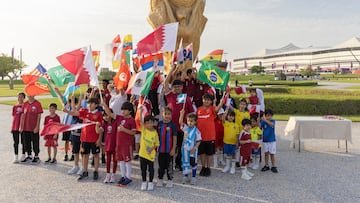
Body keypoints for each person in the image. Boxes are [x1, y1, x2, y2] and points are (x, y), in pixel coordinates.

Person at [63, 97, 103, 180]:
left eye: (91, 103)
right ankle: (85, 171)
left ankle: (96, 171)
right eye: (88, 103)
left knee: (95, 155)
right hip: (85, 138)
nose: (89, 105)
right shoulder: (85, 112)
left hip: (94, 139)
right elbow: (75, 113)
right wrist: (68, 109)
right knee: (85, 155)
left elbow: (101, 129)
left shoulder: (98, 114)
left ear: (96, 105)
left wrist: (99, 139)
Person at [103, 101, 136, 186]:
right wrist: (104, 105)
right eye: (122, 110)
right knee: (121, 160)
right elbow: (109, 114)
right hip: (119, 144)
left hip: (127, 144)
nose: (123, 111)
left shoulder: (132, 120)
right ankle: (123, 176)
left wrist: (124, 130)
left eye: (125, 110)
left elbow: (133, 132)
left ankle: (128, 177)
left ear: (130, 111)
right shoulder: (119, 118)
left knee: (127, 160)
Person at [164, 79, 195, 171]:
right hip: (171, 126)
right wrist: (173, 69)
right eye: (175, 87)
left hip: (182, 127)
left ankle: (179, 163)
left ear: (182, 87)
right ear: (172, 88)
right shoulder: (170, 96)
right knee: (170, 146)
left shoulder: (186, 98)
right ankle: (169, 164)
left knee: (182, 147)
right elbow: (165, 82)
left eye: (179, 86)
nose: (177, 88)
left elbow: (191, 113)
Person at [197, 93, 225, 177]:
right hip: (201, 136)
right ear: (202, 100)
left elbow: (217, 109)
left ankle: (208, 167)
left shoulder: (212, 109)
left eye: (208, 100)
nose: (206, 101)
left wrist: (221, 103)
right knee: (202, 153)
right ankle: (203, 167)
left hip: (210, 136)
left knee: (209, 154)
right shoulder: (198, 109)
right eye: (205, 99)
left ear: (211, 101)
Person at [156, 107, 177, 188]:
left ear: (171, 115)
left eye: (168, 114)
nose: (167, 116)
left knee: (169, 165)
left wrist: (173, 148)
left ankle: (170, 179)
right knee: (161, 165)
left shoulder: (173, 125)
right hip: (161, 150)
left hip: (169, 150)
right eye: (165, 114)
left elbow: (175, 137)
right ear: (162, 114)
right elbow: (157, 136)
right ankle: (160, 179)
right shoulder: (159, 124)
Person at [179, 109, 201, 185]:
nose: (190, 122)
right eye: (188, 121)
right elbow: (180, 123)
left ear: (195, 122)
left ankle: (194, 177)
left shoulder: (197, 131)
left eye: (191, 121)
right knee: (186, 162)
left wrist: (194, 148)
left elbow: (199, 141)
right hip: (185, 150)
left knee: (193, 163)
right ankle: (186, 176)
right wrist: (181, 114)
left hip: (192, 150)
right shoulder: (186, 128)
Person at [139, 111, 159, 191]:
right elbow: (140, 121)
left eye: (151, 123)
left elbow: (157, 144)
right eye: (147, 123)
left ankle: (150, 182)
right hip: (142, 154)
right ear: (145, 124)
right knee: (143, 169)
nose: (149, 125)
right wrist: (140, 112)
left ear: (153, 123)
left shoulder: (155, 133)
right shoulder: (144, 130)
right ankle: (144, 182)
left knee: (151, 169)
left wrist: (152, 148)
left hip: (151, 155)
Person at [19, 95, 43, 164]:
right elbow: (22, 115)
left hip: (33, 127)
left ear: (33, 95)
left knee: (35, 141)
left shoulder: (37, 104)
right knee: (26, 142)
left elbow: (39, 116)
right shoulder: (25, 104)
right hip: (25, 127)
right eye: (28, 95)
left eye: (31, 94)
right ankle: (29, 155)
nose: (29, 96)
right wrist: (21, 126)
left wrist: (37, 126)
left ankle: (36, 156)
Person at [231, 98, 250, 167]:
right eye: (241, 104)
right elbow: (230, 107)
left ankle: (241, 160)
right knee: (236, 146)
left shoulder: (247, 114)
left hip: (243, 132)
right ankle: (236, 160)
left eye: (244, 104)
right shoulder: (236, 111)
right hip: (236, 132)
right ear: (239, 105)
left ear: (246, 106)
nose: (242, 106)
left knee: (242, 147)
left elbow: (248, 123)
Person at [222, 110, 240, 174]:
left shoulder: (236, 125)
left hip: (233, 143)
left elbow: (237, 134)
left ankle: (233, 167)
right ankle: (227, 166)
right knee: (228, 154)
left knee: (233, 155)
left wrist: (237, 142)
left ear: (234, 117)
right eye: (229, 116)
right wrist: (225, 112)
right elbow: (223, 118)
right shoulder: (225, 123)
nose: (231, 117)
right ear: (227, 116)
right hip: (226, 142)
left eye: (232, 116)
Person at [102, 109, 118, 183]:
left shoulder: (115, 123)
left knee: (115, 160)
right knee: (108, 160)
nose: (106, 117)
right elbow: (100, 130)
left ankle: (113, 175)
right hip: (107, 144)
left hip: (115, 144)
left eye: (107, 115)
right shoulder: (104, 124)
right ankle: (108, 174)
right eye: (104, 115)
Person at [260, 109, 278, 173]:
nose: (269, 117)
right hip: (265, 140)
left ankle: (273, 165)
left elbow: (272, 125)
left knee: (272, 154)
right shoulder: (263, 122)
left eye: (270, 116)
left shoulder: (273, 121)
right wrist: (259, 119)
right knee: (266, 153)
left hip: (272, 140)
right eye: (267, 116)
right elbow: (259, 126)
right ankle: (266, 165)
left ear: (272, 116)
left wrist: (264, 120)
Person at [11, 92, 25, 163]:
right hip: (15, 127)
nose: (20, 98)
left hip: (23, 127)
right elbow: (14, 117)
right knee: (15, 142)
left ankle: (23, 155)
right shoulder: (15, 106)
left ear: (24, 98)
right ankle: (15, 156)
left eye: (21, 97)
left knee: (23, 142)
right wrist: (12, 127)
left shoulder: (25, 106)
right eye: (19, 97)